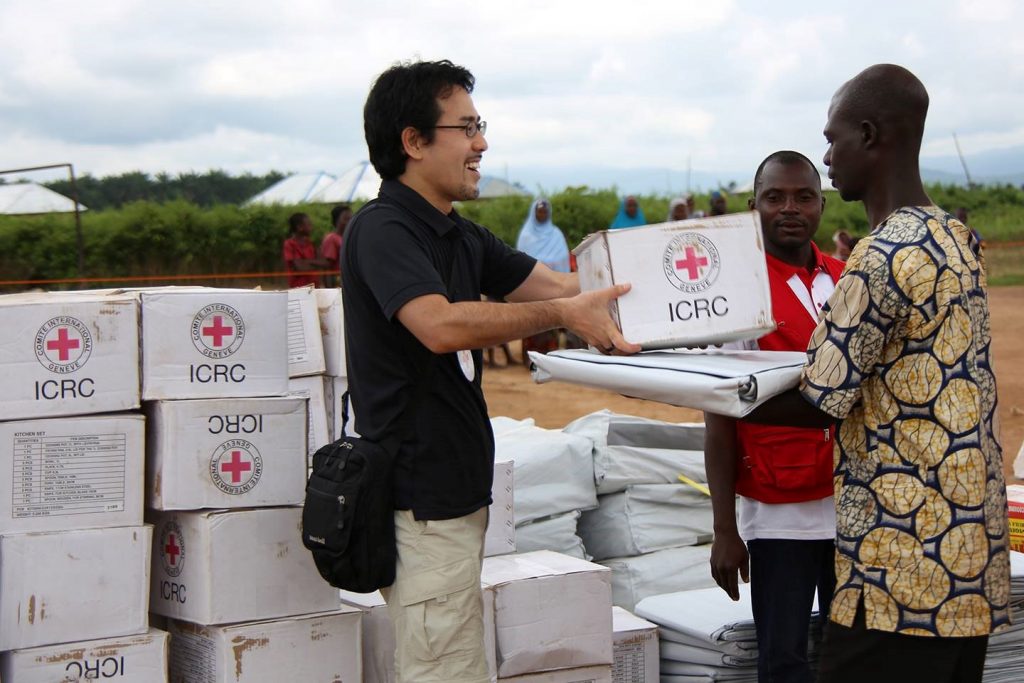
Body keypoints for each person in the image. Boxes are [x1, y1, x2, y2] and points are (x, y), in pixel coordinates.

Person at [340, 59, 640, 683]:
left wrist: (667, 288)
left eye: (482, 125)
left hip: (455, 498)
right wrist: (564, 313)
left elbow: (560, 282)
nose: (482, 144)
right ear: (414, 141)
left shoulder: (461, 236)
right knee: (445, 669)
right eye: (467, 127)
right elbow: (439, 324)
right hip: (419, 502)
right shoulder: (384, 230)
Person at [736, 64, 1010, 683]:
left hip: (899, 566)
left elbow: (818, 401)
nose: (826, 159)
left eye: (832, 141)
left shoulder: (878, 255)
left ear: (868, 135)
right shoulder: (954, 237)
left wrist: (698, 388)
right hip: (967, 558)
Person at [704, 150, 845, 683]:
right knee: (783, 661)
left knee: (850, 656)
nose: (790, 208)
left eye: (804, 196)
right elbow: (719, 416)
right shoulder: (736, 294)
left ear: (821, 205)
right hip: (778, 514)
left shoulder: (848, 278)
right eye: (775, 197)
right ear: (753, 206)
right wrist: (724, 529)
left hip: (854, 505)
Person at [516, 197, 570, 359]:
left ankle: (550, 355)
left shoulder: (556, 234)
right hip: (532, 285)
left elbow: (563, 259)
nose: (542, 214)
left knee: (551, 319)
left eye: (545, 211)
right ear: (534, 213)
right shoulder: (526, 236)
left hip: (553, 285)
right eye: (539, 211)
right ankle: (530, 357)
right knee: (532, 320)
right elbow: (521, 260)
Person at [282, 212, 324, 288]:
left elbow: (324, 263)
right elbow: (300, 267)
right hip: (298, 288)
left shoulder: (311, 243)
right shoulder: (289, 244)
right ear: (300, 227)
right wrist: (315, 264)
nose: (311, 227)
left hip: (314, 287)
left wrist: (306, 261)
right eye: (309, 224)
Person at [320, 203, 352, 285]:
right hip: (337, 283)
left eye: (350, 218)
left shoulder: (348, 238)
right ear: (336, 220)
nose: (349, 222)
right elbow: (328, 264)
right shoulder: (332, 238)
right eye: (345, 219)